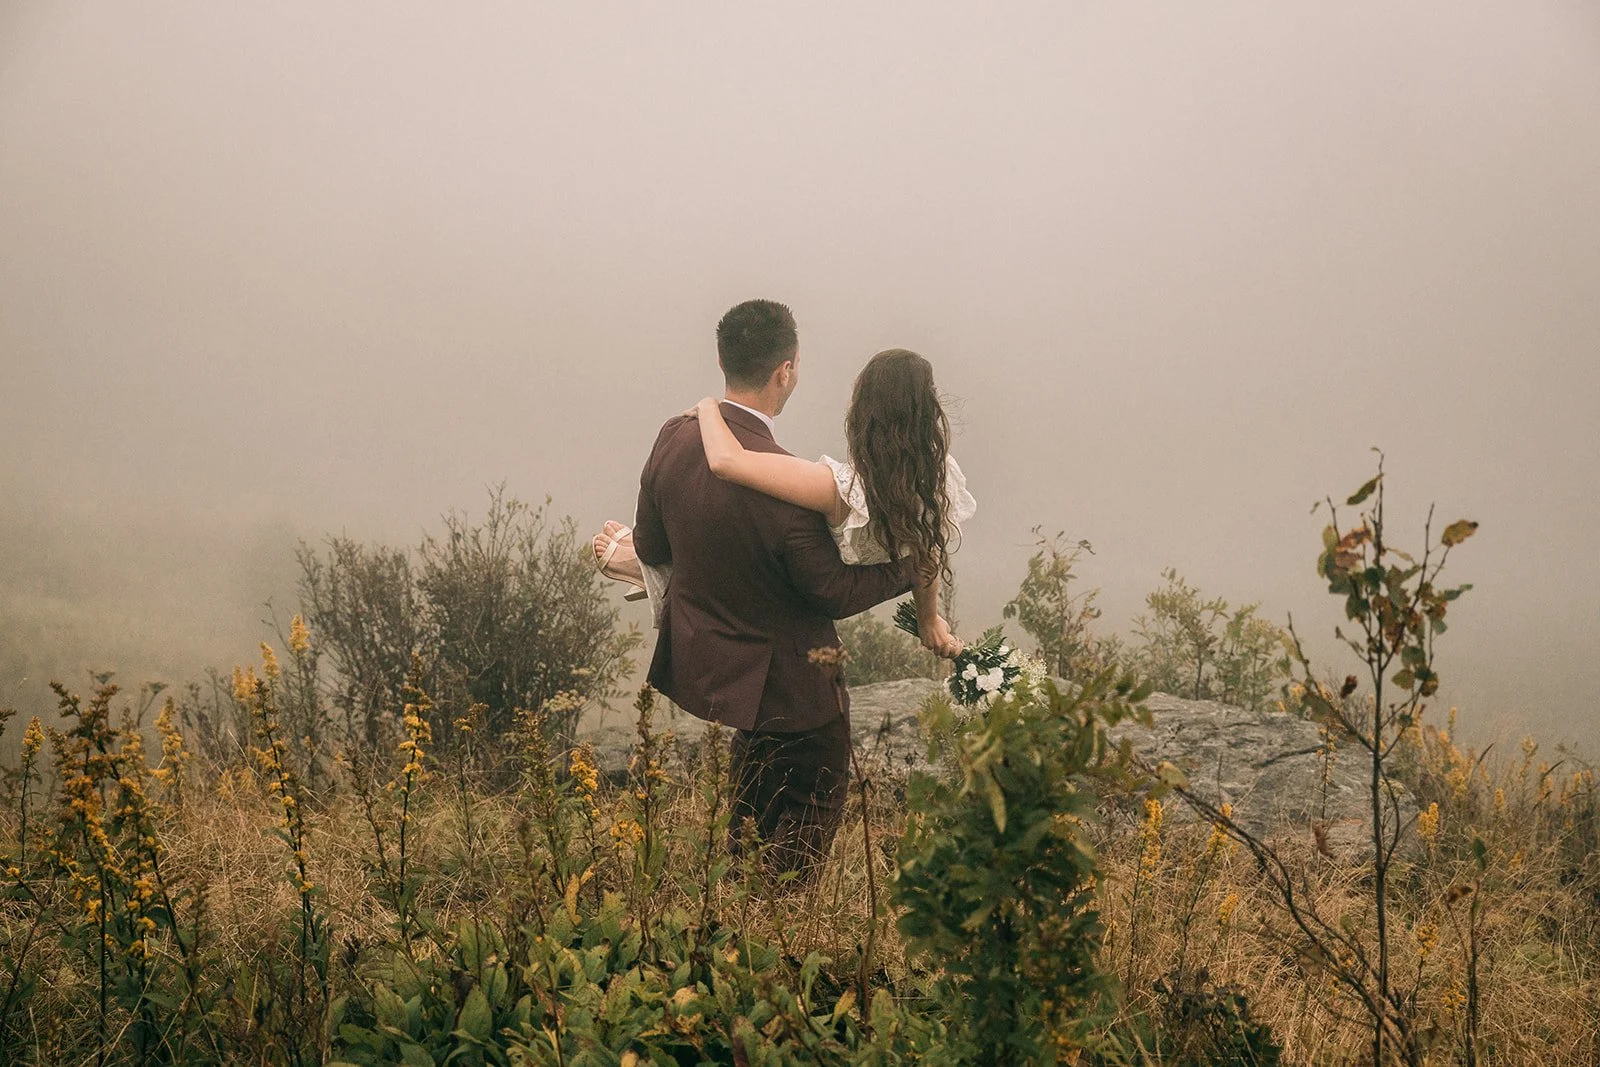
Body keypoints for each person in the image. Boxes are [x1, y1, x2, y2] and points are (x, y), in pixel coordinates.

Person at [604, 299, 917, 882]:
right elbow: (831, 592)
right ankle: (773, 957)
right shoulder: (785, 481)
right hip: (803, 700)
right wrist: (911, 567)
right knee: (795, 857)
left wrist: (626, 555)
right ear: (786, 371)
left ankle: (734, 950)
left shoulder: (674, 440)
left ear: (725, 361)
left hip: (734, 694)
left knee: (746, 840)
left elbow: (652, 548)